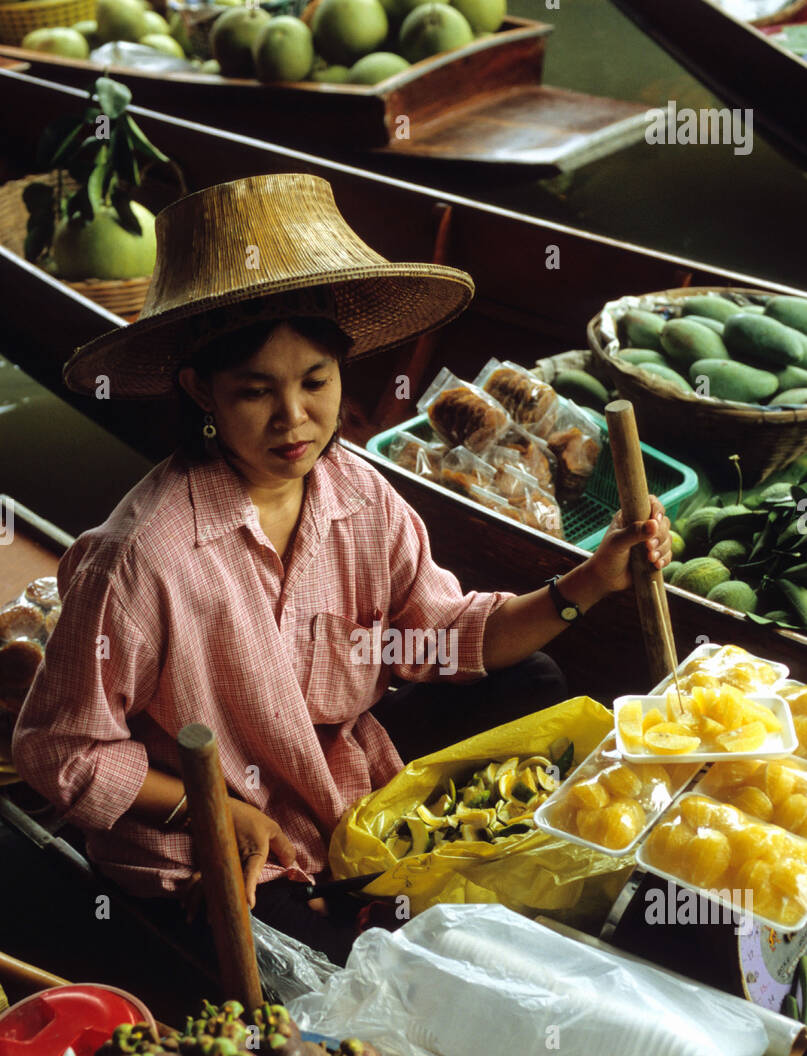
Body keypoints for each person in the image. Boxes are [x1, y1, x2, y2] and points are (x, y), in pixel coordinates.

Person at [11, 173, 671, 967]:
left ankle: (370, 875)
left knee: (532, 679)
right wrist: (203, 808)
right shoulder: (139, 557)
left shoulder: (356, 490)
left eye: (314, 382)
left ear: (341, 371)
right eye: (255, 393)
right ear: (200, 392)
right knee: (321, 954)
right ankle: (339, 899)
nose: (293, 420)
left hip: (344, 776)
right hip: (218, 832)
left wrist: (592, 581)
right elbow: (61, 750)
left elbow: (445, 639)